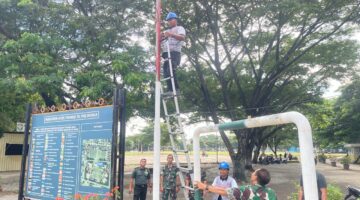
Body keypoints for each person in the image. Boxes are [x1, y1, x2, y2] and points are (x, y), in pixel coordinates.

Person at [196, 168, 277, 200]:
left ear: (255, 177)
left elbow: (225, 191)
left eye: (254, 172)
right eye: (221, 169)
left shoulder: (246, 190)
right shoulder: (272, 192)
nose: (222, 172)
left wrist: (205, 186)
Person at [161, 12, 186, 94]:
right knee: (165, 73)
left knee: (170, 71)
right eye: (168, 20)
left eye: (171, 20)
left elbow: (182, 38)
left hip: (175, 53)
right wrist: (162, 36)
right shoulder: (167, 31)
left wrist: (171, 34)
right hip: (166, 53)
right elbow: (162, 40)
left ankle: (176, 89)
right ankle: (170, 90)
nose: (169, 22)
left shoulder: (180, 28)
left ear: (175, 20)